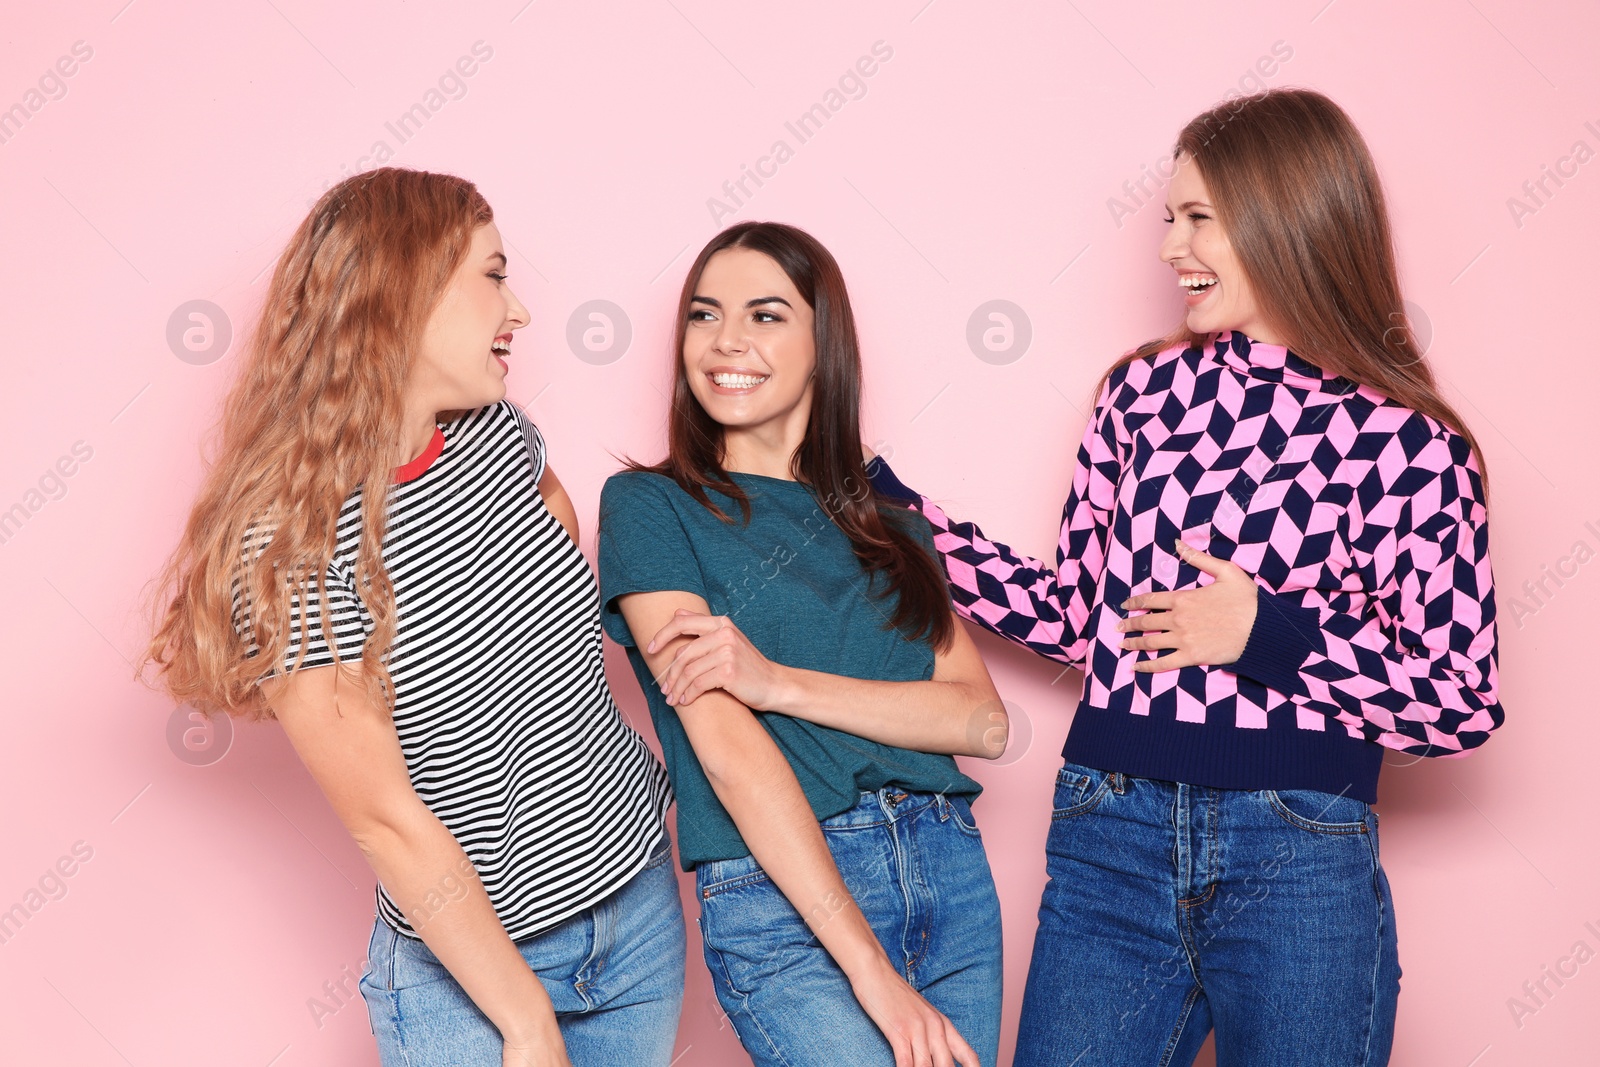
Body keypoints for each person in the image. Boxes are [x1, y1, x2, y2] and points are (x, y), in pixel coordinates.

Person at [870, 89, 1505, 1066]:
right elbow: (1078, 615)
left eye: (1197, 217)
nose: (1170, 247)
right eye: (1169, 218)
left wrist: (1266, 637)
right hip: (1107, 824)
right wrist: (901, 522)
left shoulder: (1408, 447)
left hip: (1293, 852)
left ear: (1286, 214)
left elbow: (1458, 701)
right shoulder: (1141, 391)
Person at [144, 168, 679, 1067]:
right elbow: (386, 817)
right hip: (469, 976)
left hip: (636, 907)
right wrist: (523, 1019)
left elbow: (554, 592)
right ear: (407, 293)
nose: (521, 311)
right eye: (494, 275)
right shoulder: (288, 545)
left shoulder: (499, 434)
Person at [596, 221, 1006, 1067]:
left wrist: (778, 682)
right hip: (781, 893)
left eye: (766, 315)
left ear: (826, 346)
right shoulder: (649, 506)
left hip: (948, 868)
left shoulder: (893, 531)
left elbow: (982, 723)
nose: (726, 342)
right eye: (705, 315)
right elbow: (727, 750)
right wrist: (871, 973)